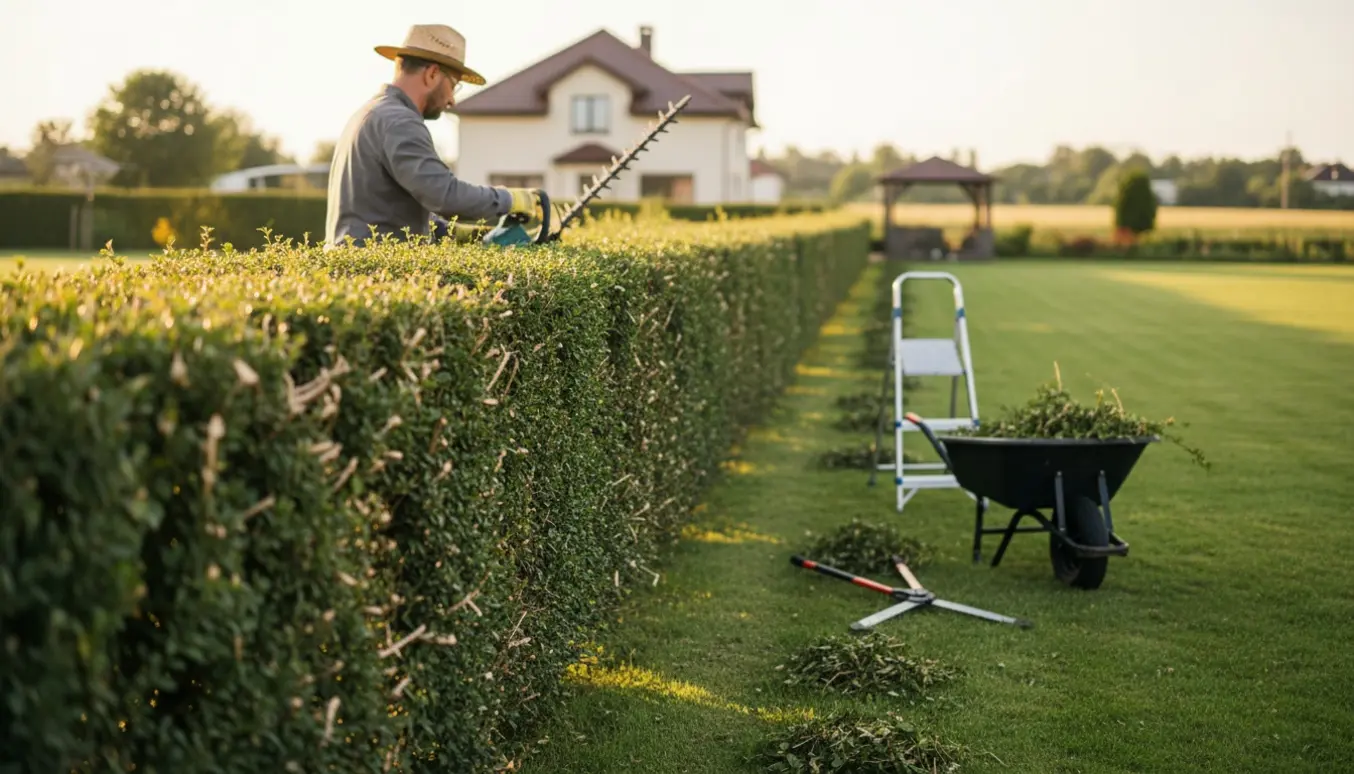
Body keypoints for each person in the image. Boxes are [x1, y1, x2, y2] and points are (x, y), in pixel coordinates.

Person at [325, 24, 555, 247]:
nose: (452, 100)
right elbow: (445, 196)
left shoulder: (371, 114)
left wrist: (463, 233)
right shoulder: (399, 122)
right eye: (454, 86)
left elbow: (389, 211)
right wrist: (511, 200)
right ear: (432, 74)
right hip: (373, 270)